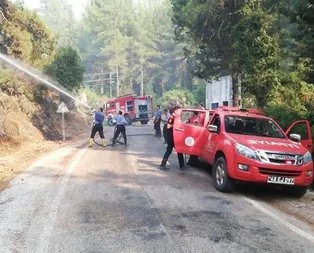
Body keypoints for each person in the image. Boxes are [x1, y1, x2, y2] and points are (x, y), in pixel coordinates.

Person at [160, 106, 185, 170]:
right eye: (179, 110)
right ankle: (163, 164)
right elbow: (168, 126)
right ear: (176, 110)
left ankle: (182, 165)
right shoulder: (172, 117)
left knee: (178, 150)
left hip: (174, 136)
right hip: (171, 137)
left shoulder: (177, 117)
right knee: (170, 150)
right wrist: (176, 125)